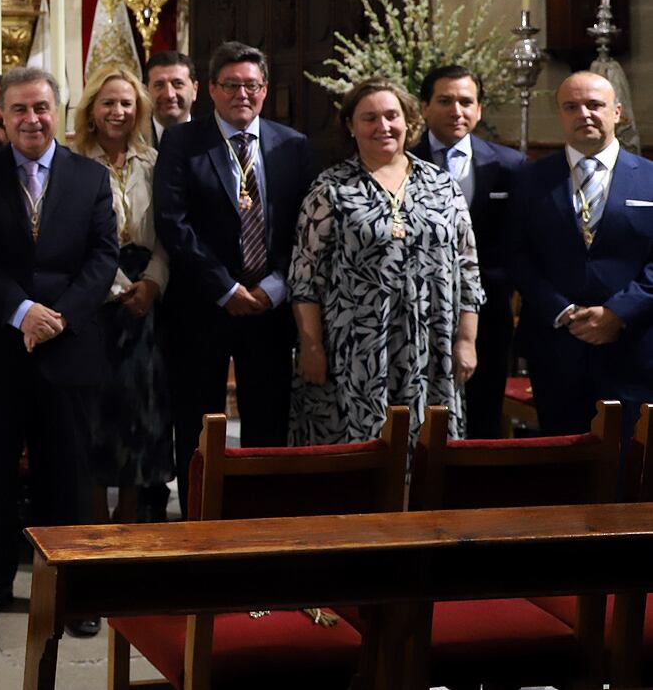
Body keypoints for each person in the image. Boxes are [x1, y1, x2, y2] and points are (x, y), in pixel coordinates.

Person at [0, 67, 118, 633]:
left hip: (69, 348)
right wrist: (21, 311)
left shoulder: (90, 176)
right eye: (16, 109)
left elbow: (103, 256)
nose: (28, 119)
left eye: (40, 108)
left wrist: (57, 317)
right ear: (1, 113)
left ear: (58, 111)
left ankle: (71, 586)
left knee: (66, 473)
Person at [154, 42, 314, 505]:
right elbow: (173, 222)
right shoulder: (183, 142)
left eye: (251, 85)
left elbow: (305, 226)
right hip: (201, 307)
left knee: (267, 423)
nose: (241, 94)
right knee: (198, 425)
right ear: (210, 90)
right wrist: (224, 287)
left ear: (264, 90)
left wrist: (274, 286)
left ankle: (258, 522)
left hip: (269, 308)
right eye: (231, 85)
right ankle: (199, 522)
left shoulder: (292, 145)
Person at [289, 79, 482, 446]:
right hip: (354, 350)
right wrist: (311, 346)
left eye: (392, 115)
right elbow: (304, 276)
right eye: (369, 118)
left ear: (408, 120)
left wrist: (467, 340)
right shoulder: (330, 188)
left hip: (431, 345)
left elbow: (468, 270)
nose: (383, 126)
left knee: (428, 449)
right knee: (357, 454)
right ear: (350, 126)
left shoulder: (442, 185)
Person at [506, 71, 653, 439]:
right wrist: (561, 310)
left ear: (617, 111)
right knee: (562, 464)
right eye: (571, 106)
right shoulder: (530, 179)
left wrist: (619, 312)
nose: (583, 113)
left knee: (631, 465)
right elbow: (516, 254)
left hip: (634, 345)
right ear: (560, 114)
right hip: (556, 345)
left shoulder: (650, 179)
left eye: (595, 105)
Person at [71, 68, 173, 523]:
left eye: (126, 103)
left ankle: (129, 521)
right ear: (92, 109)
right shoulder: (72, 162)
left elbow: (168, 232)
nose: (118, 112)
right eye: (108, 103)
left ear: (139, 109)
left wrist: (151, 282)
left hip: (146, 293)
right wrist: (112, 285)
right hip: (94, 295)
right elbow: (71, 235)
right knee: (95, 411)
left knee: (139, 409)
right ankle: (95, 522)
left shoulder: (154, 161)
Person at [411, 65, 526, 438]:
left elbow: (519, 240)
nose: (456, 111)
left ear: (479, 109)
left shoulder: (510, 166)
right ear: (424, 106)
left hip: (488, 313)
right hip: (416, 309)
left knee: (483, 412)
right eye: (444, 101)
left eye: (466, 101)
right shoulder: (401, 161)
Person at [144, 51, 196, 147]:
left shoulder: (213, 142)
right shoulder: (131, 143)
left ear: (194, 89)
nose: (169, 95)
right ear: (146, 92)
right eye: (159, 85)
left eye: (178, 84)